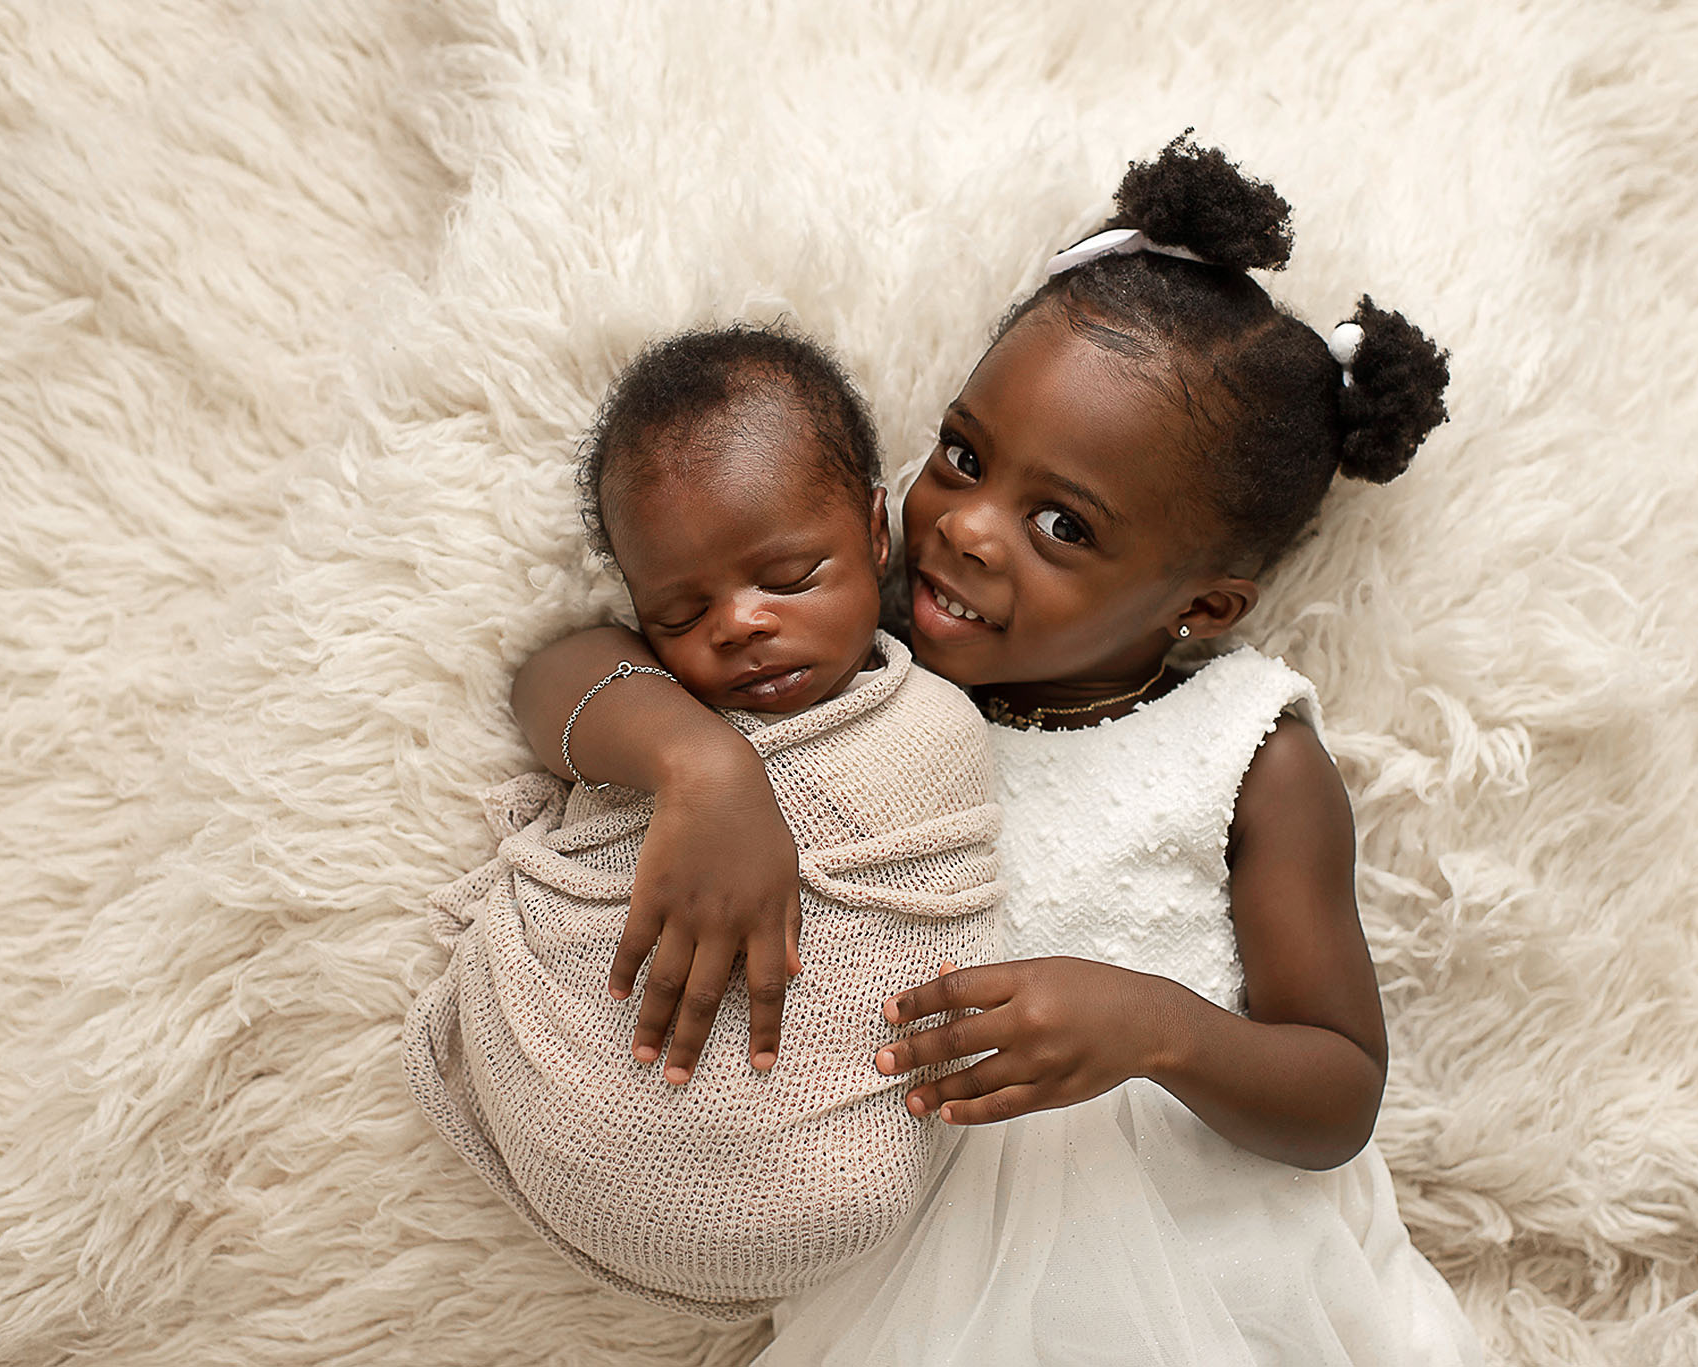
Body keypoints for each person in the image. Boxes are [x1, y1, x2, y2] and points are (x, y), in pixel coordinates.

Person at [512, 136, 1481, 1363]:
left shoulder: (1244, 752)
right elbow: (560, 670)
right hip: (926, 1283)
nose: (964, 528)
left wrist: (1154, 1025)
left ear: (1204, 605)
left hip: (1214, 1277)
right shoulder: (840, 638)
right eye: (963, 455)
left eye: (1062, 523)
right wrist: (695, 765)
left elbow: (1335, 1089)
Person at [403, 325, 1004, 1323]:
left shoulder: (931, 724)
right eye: (680, 611)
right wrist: (700, 764)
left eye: (789, 575)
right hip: (582, 1085)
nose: (737, 623)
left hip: (825, 1162)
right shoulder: (663, 707)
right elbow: (544, 681)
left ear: (874, 532)